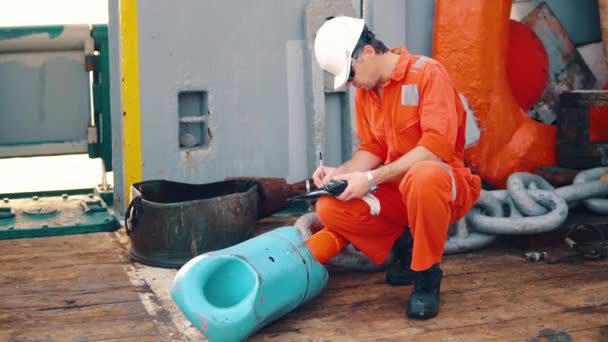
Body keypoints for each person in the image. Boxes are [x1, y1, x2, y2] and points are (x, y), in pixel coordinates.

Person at [305, 16, 481, 319]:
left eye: (350, 74)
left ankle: (427, 275)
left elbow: (435, 150)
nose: (350, 84)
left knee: (424, 175)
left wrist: (372, 178)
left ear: (369, 53)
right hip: (400, 190)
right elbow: (373, 148)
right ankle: (406, 246)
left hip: (443, 184)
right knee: (329, 209)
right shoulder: (366, 92)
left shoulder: (428, 74)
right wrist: (341, 174)